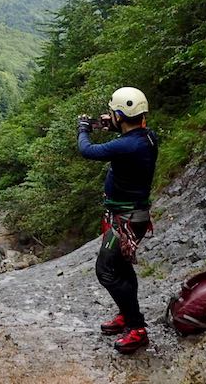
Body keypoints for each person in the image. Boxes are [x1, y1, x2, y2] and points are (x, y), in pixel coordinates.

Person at [77, 86, 158, 355]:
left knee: (106, 271)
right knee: (122, 269)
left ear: (121, 115)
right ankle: (127, 315)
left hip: (126, 219)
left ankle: (137, 327)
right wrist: (112, 123)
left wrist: (83, 129)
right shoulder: (147, 137)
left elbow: (87, 150)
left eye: (114, 113)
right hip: (132, 216)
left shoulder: (127, 145)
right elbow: (128, 134)